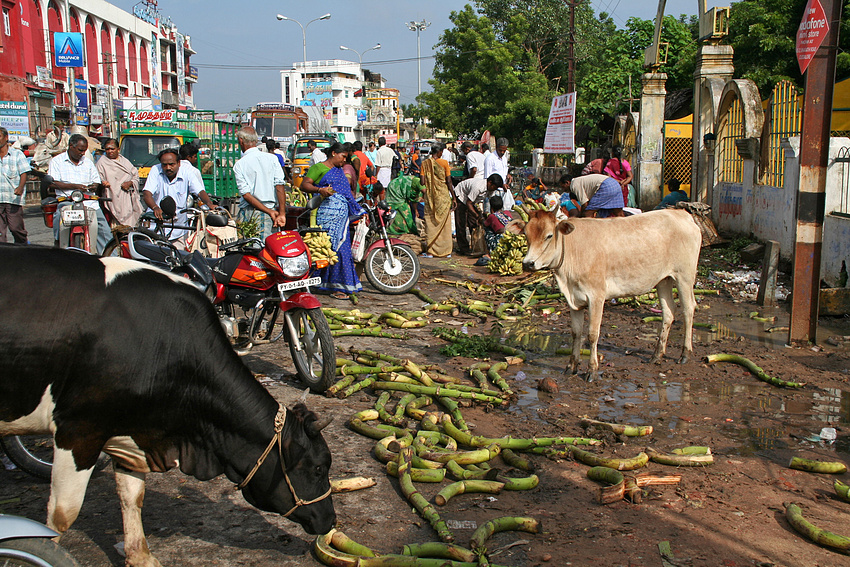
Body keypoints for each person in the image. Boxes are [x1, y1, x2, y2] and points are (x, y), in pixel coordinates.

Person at [300, 142, 365, 299]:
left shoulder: (339, 170)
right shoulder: (319, 168)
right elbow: (304, 185)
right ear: (334, 153)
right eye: (343, 157)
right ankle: (332, 286)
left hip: (341, 217)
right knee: (327, 247)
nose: (344, 161)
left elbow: (346, 193)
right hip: (325, 215)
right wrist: (319, 189)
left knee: (341, 249)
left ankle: (337, 285)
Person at [47, 133, 111, 253]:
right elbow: (52, 183)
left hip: (89, 204)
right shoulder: (57, 161)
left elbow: (96, 181)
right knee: (58, 222)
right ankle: (58, 246)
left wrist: (94, 186)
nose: (82, 153)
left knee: (105, 231)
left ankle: (110, 258)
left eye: (84, 151)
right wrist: (75, 187)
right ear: (71, 146)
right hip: (66, 203)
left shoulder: (87, 162)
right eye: (80, 150)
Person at [142, 148, 215, 246]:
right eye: (164, 165)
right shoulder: (155, 170)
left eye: (172, 164)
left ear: (179, 163)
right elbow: (147, 193)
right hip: (156, 229)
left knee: (180, 258)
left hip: (178, 230)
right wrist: (155, 207)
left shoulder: (187, 173)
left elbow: (200, 191)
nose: (168, 168)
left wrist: (209, 203)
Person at [233, 126, 287, 241]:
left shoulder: (240, 165)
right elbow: (279, 186)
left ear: (241, 141)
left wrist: (270, 211)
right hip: (270, 212)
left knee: (249, 250)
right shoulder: (272, 159)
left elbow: (246, 195)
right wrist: (281, 213)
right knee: (268, 250)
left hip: (251, 213)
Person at [453, 173, 504, 256]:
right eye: (494, 187)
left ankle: (475, 245)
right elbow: (468, 203)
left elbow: (491, 202)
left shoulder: (490, 189)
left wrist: (491, 216)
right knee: (461, 222)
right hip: (461, 196)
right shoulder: (478, 187)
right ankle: (463, 248)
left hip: (472, 200)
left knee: (474, 222)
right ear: (490, 183)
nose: (494, 189)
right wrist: (478, 216)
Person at [96, 138, 142, 228]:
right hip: (112, 198)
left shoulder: (124, 161)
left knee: (131, 224)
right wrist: (102, 183)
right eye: (107, 149)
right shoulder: (101, 162)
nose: (110, 151)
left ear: (118, 149)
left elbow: (135, 175)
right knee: (115, 226)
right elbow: (98, 179)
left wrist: (130, 182)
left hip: (126, 198)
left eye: (112, 149)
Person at [420, 144, 454, 258]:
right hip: (443, 197)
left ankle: (431, 251)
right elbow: (449, 181)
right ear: (439, 152)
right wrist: (453, 197)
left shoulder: (425, 164)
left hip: (430, 198)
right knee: (445, 224)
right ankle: (446, 251)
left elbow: (422, 182)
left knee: (431, 222)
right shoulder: (444, 163)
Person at [0, 126, 30, 244]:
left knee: (15, 228)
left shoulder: (17, 154)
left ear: (6, 138)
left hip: (13, 199)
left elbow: (24, 172)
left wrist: (20, 187)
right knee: (0, 232)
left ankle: (23, 246)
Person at [561, 173, 625, 218]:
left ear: (567, 183)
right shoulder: (579, 180)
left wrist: (580, 217)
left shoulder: (574, 184)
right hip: (614, 184)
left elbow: (584, 204)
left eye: (563, 187)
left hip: (605, 186)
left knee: (587, 214)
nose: (563, 189)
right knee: (619, 213)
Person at [480, 195, 516, 264]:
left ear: (491, 207)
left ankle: (491, 252)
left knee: (487, 230)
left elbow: (485, 224)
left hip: (501, 242)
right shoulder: (507, 213)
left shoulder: (492, 216)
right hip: (512, 239)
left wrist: (482, 218)